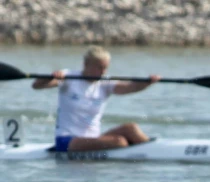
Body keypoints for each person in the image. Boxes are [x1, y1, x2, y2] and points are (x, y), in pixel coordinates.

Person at [31, 46, 161, 152]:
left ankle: (155, 152)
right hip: (67, 141)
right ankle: (144, 152)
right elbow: (37, 86)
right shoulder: (69, 77)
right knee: (119, 141)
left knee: (131, 128)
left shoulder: (105, 83)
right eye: (99, 67)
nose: (103, 72)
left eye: (105, 68)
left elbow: (130, 87)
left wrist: (147, 82)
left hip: (94, 140)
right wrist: (49, 77)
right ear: (86, 64)